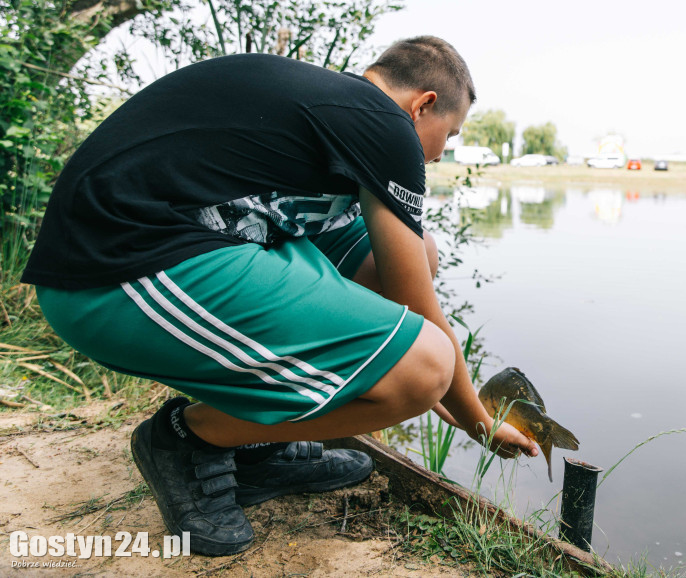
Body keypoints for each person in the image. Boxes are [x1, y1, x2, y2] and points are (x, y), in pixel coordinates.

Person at [21, 36, 538, 556]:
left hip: (166, 240)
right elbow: (418, 309)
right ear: (422, 104)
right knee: (425, 369)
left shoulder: (332, 105)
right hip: (108, 275)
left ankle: (260, 447)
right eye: (449, 132)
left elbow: (406, 275)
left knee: (417, 253)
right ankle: (188, 437)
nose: (443, 149)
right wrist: (476, 418)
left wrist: (454, 396)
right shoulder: (386, 124)